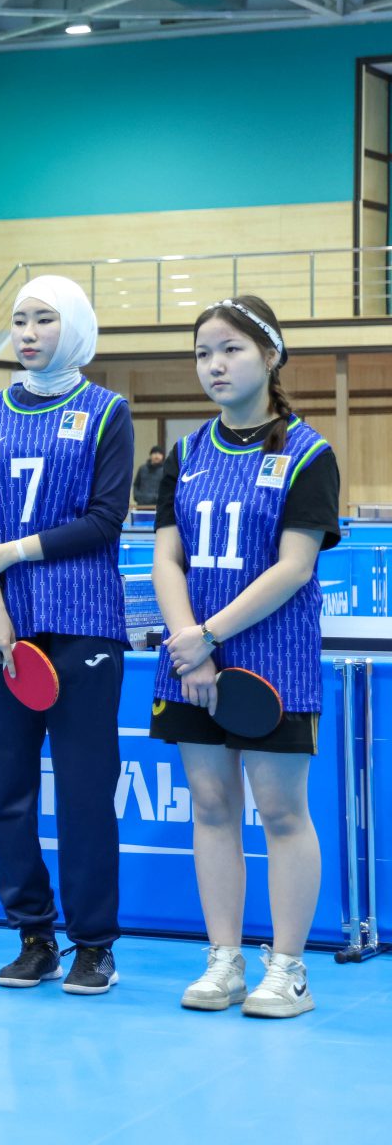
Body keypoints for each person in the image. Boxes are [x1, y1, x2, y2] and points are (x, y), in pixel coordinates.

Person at [152, 295, 337, 1020]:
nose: (215, 365)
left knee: (282, 812)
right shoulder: (187, 453)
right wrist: (188, 643)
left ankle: (288, 970)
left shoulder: (309, 454)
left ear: (270, 355)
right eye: (203, 353)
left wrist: (208, 635)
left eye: (230, 349)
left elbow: (295, 566)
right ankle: (224, 960)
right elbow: (167, 557)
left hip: (274, 661)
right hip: (191, 660)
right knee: (211, 806)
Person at [0, 277, 133, 993]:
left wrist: (15, 552)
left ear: (78, 328)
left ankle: (93, 943)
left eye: (44, 320)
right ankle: (34, 935)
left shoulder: (107, 412)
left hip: (83, 624)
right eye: (19, 320)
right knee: (5, 789)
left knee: (87, 792)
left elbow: (105, 519)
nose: (27, 334)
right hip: (0, 627)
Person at [133, 445, 167, 509]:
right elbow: (136, 485)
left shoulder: (166, 470)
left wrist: (160, 498)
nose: (157, 456)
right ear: (150, 455)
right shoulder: (142, 469)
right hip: (141, 505)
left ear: (162, 456)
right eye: (155, 453)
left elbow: (167, 488)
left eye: (159, 454)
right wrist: (137, 497)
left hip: (158, 506)